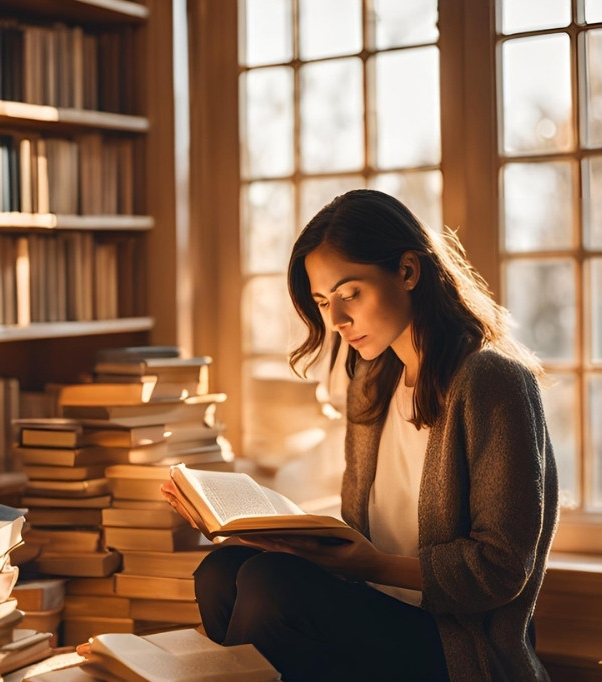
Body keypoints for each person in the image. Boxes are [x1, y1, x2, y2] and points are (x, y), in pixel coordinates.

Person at [161, 189, 558, 681]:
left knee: (270, 584)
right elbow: (359, 537)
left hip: (461, 647)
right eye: (323, 302)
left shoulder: (491, 380)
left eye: (350, 294)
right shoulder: (371, 381)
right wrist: (275, 539)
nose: (335, 321)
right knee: (222, 571)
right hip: (376, 612)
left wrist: (368, 566)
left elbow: (500, 568)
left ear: (408, 271)